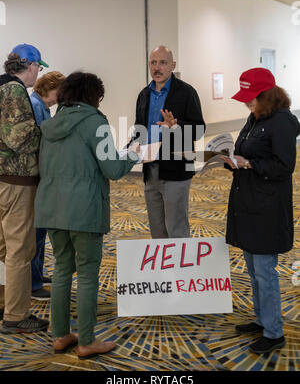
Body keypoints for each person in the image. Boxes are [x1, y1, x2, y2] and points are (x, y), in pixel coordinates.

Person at [34, 71, 140, 359]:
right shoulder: (96, 122)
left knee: (61, 271)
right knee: (89, 274)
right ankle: (87, 340)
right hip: (84, 210)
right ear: (94, 96)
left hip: (52, 208)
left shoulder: (50, 124)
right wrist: (133, 153)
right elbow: (113, 169)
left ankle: (60, 335)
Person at [222, 67, 300, 354]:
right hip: (249, 203)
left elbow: (284, 166)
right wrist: (231, 158)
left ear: (267, 96)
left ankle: (274, 332)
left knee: (265, 271)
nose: (247, 104)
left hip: (267, 207)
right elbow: (248, 149)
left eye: (251, 98)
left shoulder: (282, 122)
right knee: (254, 270)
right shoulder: (255, 117)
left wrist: (248, 163)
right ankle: (262, 319)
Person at [0, 43, 50, 333]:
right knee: (20, 249)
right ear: (29, 66)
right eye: (38, 68)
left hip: (2, 179)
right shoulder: (15, 90)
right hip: (16, 182)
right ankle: (16, 316)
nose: (37, 75)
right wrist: (47, 137)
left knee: (4, 246)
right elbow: (21, 139)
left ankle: (4, 303)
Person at [132, 45, 205, 239]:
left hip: (176, 171)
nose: (157, 67)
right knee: (157, 230)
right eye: (153, 62)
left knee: (176, 229)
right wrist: (130, 148)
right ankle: (163, 270)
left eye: (163, 63)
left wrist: (175, 126)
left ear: (172, 65)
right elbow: (139, 129)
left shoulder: (186, 93)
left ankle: (181, 270)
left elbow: (199, 130)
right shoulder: (144, 94)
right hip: (150, 170)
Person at [30, 71, 65, 301]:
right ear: (48, 87)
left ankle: (38, 275)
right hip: (35, 177)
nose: (57, 99)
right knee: (34, 232)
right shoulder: (35, 105)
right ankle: (33, 284)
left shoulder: (42, 107)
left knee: (41, 230)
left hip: (41, 177)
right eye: (56, 94)